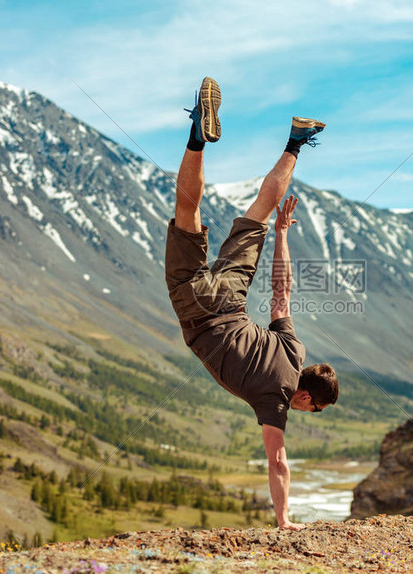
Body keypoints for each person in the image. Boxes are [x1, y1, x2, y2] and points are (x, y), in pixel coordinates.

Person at [165, 77, 339, 530]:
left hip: (230, 297)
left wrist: (281, 235)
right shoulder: (275, 402)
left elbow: (282, 292)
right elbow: (278, 461)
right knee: (187, 213)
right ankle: (196, 140)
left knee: (261, 210)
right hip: (196, 310)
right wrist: (284, 521)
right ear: (305, 396)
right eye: (311, 410)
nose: (305, 413)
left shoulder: (292, 350)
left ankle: (295, 141)